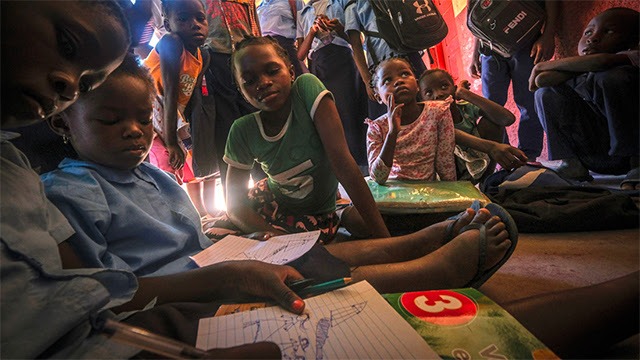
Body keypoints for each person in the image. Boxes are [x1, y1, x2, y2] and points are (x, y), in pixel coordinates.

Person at [0, 2, 301, 358]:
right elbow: (102, 295)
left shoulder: (16, 168)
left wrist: (231, 240)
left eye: (145, 118)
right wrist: (225, 277)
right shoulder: (68, 191)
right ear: (63, 122)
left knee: (303, 266)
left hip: (205, 273)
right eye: (111, 120)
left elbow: (193, 240)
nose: (66, 88)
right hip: (172, 301)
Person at [530, 7, 639, 189]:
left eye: (609, 31)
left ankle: (638, 163)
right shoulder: (581, 70)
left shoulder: (633, 56)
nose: (593, 38)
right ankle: (571, 164)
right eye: (588, 32)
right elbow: (542, 80)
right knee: (546, 93)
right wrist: (545, 69)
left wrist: (542, 66)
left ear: (633, 42)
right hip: (596, 154)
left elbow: (602, 62)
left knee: (609, 78)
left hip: (630, 154)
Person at [143, 0, 219, 219]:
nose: (195, 25)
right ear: (168, 25)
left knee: (190, 161)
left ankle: (202, 214)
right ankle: (173, 218)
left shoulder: (203, 56)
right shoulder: (171, 43)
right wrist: (172, 141)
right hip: (149, 115)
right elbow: (168, 95)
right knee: (167, 165)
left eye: (200, 19)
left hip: (173, 116)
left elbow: (186, 100)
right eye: (183, 19)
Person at [468, 0, 558, 163]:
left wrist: (548, 34)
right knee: (491, 107)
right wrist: (475, 54)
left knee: (529, 102)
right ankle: (504, 159)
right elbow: (476, 15)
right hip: (490, 51)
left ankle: (527, 156)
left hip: (525, 42)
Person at [200, 0, 267, 195]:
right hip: (214, 57)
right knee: (226, 128)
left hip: (247, 56)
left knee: (256, 120)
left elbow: (253, 23)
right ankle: (235, 200)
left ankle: (267, 191)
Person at [419, 69, 528, 183]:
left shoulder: (465, 109)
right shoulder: (426, 122)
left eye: (444, 86)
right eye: (429, 93)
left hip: (478, 162)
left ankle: (486, 180)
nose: (438, 94)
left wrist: (465, 94)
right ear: (422, 101)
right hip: (451, 174)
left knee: (492, 122)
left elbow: (507, 119)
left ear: (454, 89)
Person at [297, 0, 369, 169]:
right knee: (330, 116)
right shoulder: (303, 13)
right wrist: (312, 32)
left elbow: (357, 41)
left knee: (352, 111)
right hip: (320, 67)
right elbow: (300, 54)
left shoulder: (339, 3)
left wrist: (338, 29)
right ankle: (339, 166)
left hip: (344, 62)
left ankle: (361, 165)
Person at [366, 57, 456, 185]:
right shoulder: (377, 128)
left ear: (417, 85)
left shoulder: (438, 112)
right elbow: (378, 177)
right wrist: (392, 133)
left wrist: (453, 196)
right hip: (392, 192)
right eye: (387, 80)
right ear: (378, 97)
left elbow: (445, 161)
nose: (399, 81)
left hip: (428, 190)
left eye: (405, 74)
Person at [343, 0, 429, 120]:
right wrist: (367, 79)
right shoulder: (353, 5)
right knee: (391, 111)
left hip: (408, 53)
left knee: (425, 98)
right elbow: (355, 44)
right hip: (380, 64)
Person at [257, 0, 308, 77]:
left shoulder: (293, 1)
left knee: (300, 78)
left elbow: (303, 27)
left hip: (286, 47)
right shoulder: (258, 8)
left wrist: (301, 56)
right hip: (265, 49)